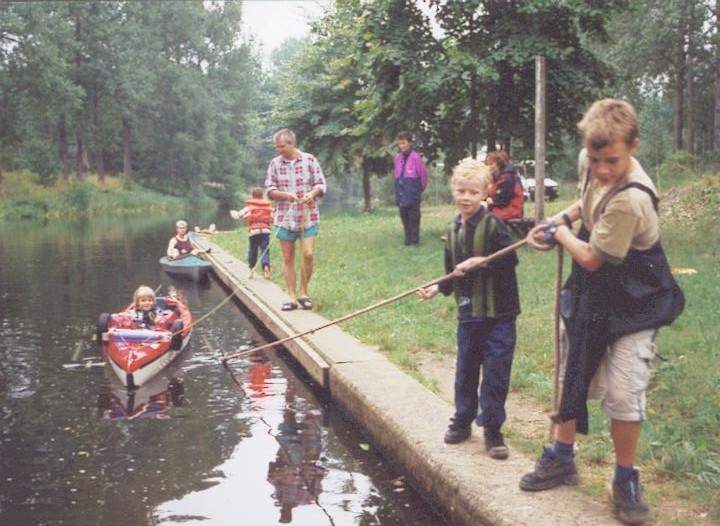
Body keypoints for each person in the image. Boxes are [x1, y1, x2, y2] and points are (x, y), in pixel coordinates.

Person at [520, 99, 684, 525]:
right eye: (595, 160)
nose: (602, 169)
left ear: (633, 146)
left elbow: (592, 256)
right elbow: (585, 204)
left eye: (612, 160)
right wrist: (559, 217)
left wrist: (557, 234)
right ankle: (562, 456)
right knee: (572, 371)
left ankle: (626, 477)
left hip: (636, 298)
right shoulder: (589, 162)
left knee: (623, 393)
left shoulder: (632, 199)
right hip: (595, 294)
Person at [417, 158, 520, 460]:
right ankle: (462, 420)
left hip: (499, 313)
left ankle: (492, 429)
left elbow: (510, 260)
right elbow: (452, 269)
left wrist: (482, 260)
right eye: (461, 191)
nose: (466, 198)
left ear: (484, 194)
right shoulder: (453, 227)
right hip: (469, 313)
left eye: (473, 192)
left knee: (496, 372)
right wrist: (439, 287)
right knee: (465, 370)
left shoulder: (494, 225)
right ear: (453, 191)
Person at [264, 128, 327, 311]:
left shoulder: (309, 160)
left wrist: (312, 193)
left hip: (308, 216)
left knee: (308, 255)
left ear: (292, 144)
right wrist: (284, 195)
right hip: (284, 217)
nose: (279, 150)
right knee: (288, 257)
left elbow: (321, 184)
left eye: (282, 146)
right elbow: (270, 189)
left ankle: (303, 293)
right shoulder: (275, 164)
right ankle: (291, 297)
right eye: (277, 147)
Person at [393, 131, 429, 245]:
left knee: (414, 218)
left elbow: (424, 176)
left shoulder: (416, 158)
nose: (401, 146)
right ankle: (407, 240)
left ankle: (415, 241)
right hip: (401, 193)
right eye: (399, 144)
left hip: (412, 192)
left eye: (403, 143)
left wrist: (418, 190)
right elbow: (396, 175)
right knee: (404, 217)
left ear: (409, 143)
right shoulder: (397, 158)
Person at [230, 188, 273, 279]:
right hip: (265, 231)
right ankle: (266, 266)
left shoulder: (249, 207)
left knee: (253, 250)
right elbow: (272, 218)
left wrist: (233, 213)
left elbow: (239, 215)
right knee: (265, 250)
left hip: (254, 232)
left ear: (252, 196)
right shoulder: (268, 207)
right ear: (262, 196)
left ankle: (251, 270)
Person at [484, 150, 524, 222]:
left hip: (511, 210)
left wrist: (492, 201)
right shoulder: (496, 178)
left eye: (491, 164)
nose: (488, 167)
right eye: (487, 164)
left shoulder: (508, 178)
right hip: (500, 209)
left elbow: (504, 199)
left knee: (485, 218)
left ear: (498, 165)